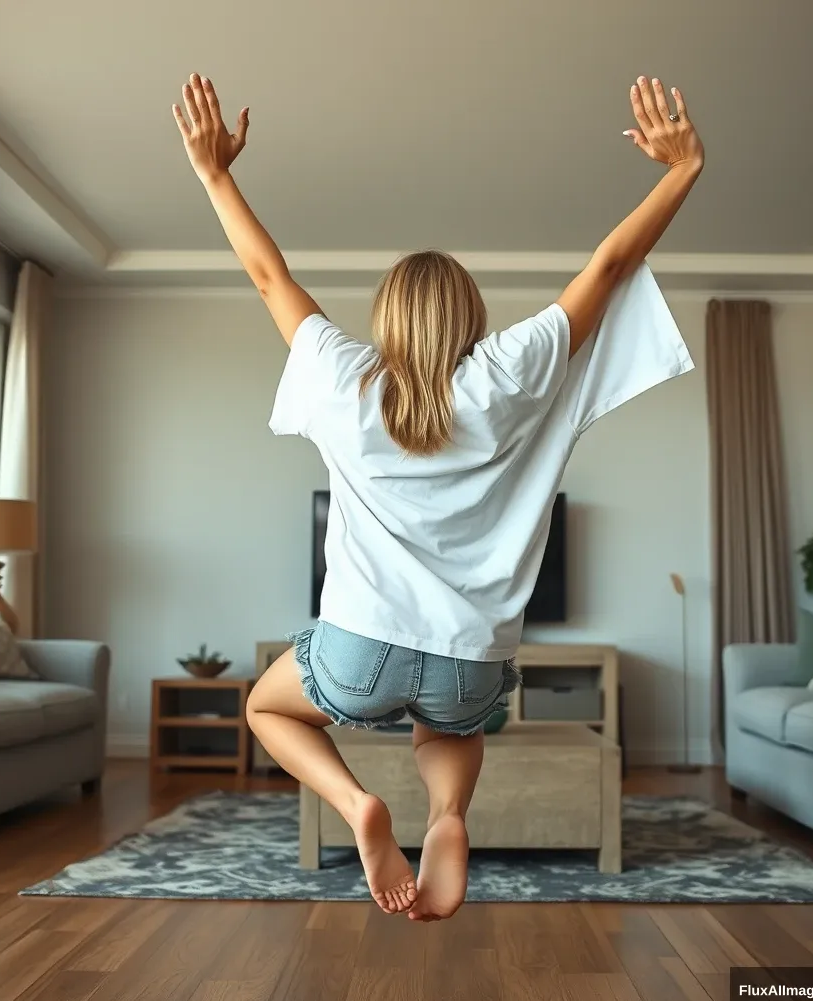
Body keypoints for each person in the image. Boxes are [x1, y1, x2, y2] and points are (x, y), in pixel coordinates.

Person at [173, 72, 703, 920]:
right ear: (472, 316)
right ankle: (450, 817)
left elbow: (270, 278)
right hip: (471, 659)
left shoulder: (346, 378)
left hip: (358, 650)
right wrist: (679, 170)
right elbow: (610, 267)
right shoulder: (512, 370)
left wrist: (215, 174)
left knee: (268, 707)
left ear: (387, 320)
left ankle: (358, 809)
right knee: (449, 727)